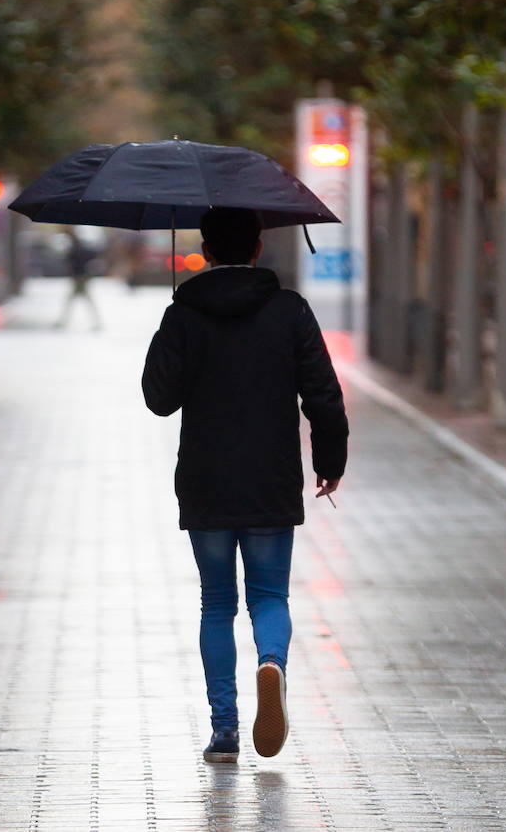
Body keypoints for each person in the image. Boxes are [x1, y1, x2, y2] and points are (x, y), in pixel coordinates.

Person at [141, 207, 348, 763]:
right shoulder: (290, 312)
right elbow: (323, 395)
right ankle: (272, 664)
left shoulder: (184, 314)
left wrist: (173, 325)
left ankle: (225, 729)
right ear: (258, 248)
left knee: (215, 604)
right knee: (269, 596)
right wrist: (330, 461)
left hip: (207, 480)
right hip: (271, 477)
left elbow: (158, 399)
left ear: (205, 249)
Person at [55, 231, 101, 329]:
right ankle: (96, 323)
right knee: (82, 301)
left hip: (80, 278)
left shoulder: (75, 250)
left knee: (76, 301)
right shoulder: (81, 249)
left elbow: (69, 262)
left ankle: (62, 322)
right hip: (81, 277)